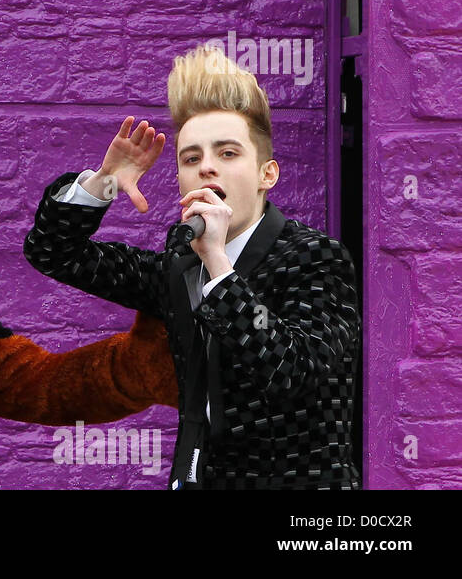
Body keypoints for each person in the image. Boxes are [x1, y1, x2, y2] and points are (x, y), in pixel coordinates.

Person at [24, 44, 361, 490]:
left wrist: (219, 266)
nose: (206, 168)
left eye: (227, 154)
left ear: (267, 174)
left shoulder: (316, 258)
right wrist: (104, 180)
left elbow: (293, 372)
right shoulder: (182, 264)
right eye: (191, 158)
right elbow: (53, 251)